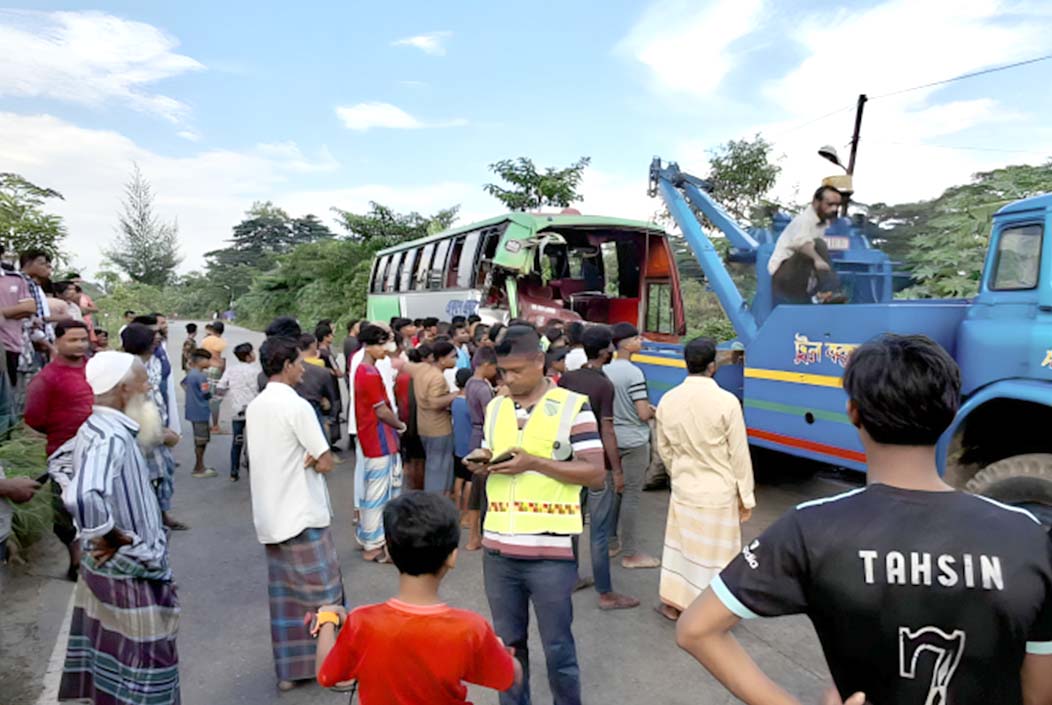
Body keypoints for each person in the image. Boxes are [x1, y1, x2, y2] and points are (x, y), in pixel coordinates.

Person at [676, 334, 1052, 705]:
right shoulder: (1027, 534)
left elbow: (696, 629)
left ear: (853, 411)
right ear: (951, 411)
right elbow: (1039, 694)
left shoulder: (810, 529)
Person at [464, 325, 605, 705]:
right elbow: (493, 452)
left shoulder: (573, 407)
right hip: (498, 552)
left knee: (559, 650)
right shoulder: (496, 407)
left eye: (516, 371)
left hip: (549, 553)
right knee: (507, 651)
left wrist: (535, 464)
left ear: (540, 362)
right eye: (502, 372)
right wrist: (481, 462)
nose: (507, 379)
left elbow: (595, 472)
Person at [58, 351, 180, 705]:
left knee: (119, 665)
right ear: (124, 388)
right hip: (132, 570)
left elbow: (60, 466)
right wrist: (109, 533)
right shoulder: (112, 436)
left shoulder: (96, 426)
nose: (149, 385)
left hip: (116, 568)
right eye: (143, 379)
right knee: (145, 672)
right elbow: (81, 494)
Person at [314, 492, 519, 701]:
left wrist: (327, 619)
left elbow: (326, 674)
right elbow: (510, 676)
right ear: (452, 557)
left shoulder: (361, 622)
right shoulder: (470, 628)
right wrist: (499, 648)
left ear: (390, 552)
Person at [247, 336, 343, 692]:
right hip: (302, 512)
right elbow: (327, 460)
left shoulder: (257, 405)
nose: (304, 367)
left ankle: (290, 672)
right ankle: (333, 668)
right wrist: (314, 459)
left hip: (271, 515)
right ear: (287, 365)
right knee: (325, 596)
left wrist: (309, 457)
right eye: (300, 362)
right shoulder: (296, 405)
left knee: (286, 598)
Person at [652, 337, 754, 621]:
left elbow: (664, 449)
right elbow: (739, 455)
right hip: (718, 492)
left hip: (685, 488)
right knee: (716, 556)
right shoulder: (727, 402)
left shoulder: (668, 400)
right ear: (712, 366)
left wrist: (680, 474)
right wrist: (745, 494)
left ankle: (675, 604)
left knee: (682, 551)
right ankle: (715, 614)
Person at [559, 325, 639, 610]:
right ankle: (606, 593)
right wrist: (616, 470)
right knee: (600, 531)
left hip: (569, 461)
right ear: (606, 352)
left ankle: (571, 578)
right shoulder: (604, 385)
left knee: (571, 523)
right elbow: (607, 430)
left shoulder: (568, 378)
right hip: (596, 465)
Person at [23, 319, 93, 580]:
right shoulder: (47, 378)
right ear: (57, 341)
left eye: (83, 339)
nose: (80, 345)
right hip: (64, 452)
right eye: (73, 340)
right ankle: (76, 562)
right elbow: (34, 418)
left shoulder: (95, 369)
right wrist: (65, 436)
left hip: (99, 450)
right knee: (65, 509)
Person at [121, 323, 188, 529]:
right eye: (153, 337)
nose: (157, 339)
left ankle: (162, 515)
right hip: (140, 433)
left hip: (156, 426)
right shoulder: (126, 367)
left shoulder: (154, 361)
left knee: (162, 475)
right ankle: (149, 521)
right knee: (144, 479)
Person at [605, 322, 660, 568]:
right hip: (634, 441)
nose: (642, 341)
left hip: (610, 439)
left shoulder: (605, 370)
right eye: (637, 338)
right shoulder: (634, 373)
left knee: (614, 493)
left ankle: (611, 542)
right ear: (625, 344)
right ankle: (630, 553)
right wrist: (652, 411)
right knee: (631, 496)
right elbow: (641, 413)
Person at [353, 325, 405, 562]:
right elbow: (381, 411)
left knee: (377, 490)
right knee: (378, 493)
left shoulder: (365, 369)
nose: (387, 349)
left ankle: (373, 538)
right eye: (383, 343)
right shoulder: (369, 373)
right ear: (371, 345)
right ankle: (373, 543)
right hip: (379, 438)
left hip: (377, 438)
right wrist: (400, 425)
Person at [768, 185, 844, 305]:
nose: (834, 209)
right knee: (818, 245)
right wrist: (817, 260)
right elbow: (802, 244)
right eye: (829, 204)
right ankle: (828, 291)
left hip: (801, 279)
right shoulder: (804, 220)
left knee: (820, 250)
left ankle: (825, 294)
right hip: (783, 277)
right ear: (816, 202)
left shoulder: (822, 224)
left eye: (837, 205)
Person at [462, 347, 497, 551]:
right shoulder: (483, 389)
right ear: (485, 365)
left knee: (476, 488)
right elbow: (490, 418)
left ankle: (474, 536)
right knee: (482, 490)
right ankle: (478, 535)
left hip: (474, 434)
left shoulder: (470, 383)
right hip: (483, 436)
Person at [415, 339, 458, 495]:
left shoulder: (423, 371)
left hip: (424, 426)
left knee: (434, 466)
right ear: (442, 359)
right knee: (439, 468)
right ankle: (435, 503)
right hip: (438, 428)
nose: (455, 360)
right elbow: (434, 402)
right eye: (453, 356)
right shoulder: (437, 378)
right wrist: (455, 395)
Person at [216, 342, 260, 481]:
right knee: (256, 441)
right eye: (252, 352)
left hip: (237, 409)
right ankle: (256, 470)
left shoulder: (231, 370)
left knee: (237, 440)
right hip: (254, 409)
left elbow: (221, 386)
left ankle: (233, 473)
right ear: (248, 357)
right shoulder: (256, 371)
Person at [183, 349, 217, 478]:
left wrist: (192, 395)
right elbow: (206, 393)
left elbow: (183, 384)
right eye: (208, 359)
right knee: (201, 441)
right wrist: (214, 394)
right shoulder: (202, 376)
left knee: (198, 439)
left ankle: (200, 466)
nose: (209, 362)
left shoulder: (191, 374)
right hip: (201, 411)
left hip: (192, 410)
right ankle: (199, 467)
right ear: (201, 361)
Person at [451, 366, 474, 525]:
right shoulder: (469, 404)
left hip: (458, 444)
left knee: (459, 478)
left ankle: (457, 509)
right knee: (470, 481)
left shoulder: (455, 401)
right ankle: (466, 514)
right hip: (470, 445)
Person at [200, 321, 227, 432]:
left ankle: (204, 423)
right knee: (215, 398)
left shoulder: (205, 340)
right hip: (216, 370)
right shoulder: (221, 342)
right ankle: (215, 425)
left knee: (205, 395)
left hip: (205, 368)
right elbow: (220, 359)